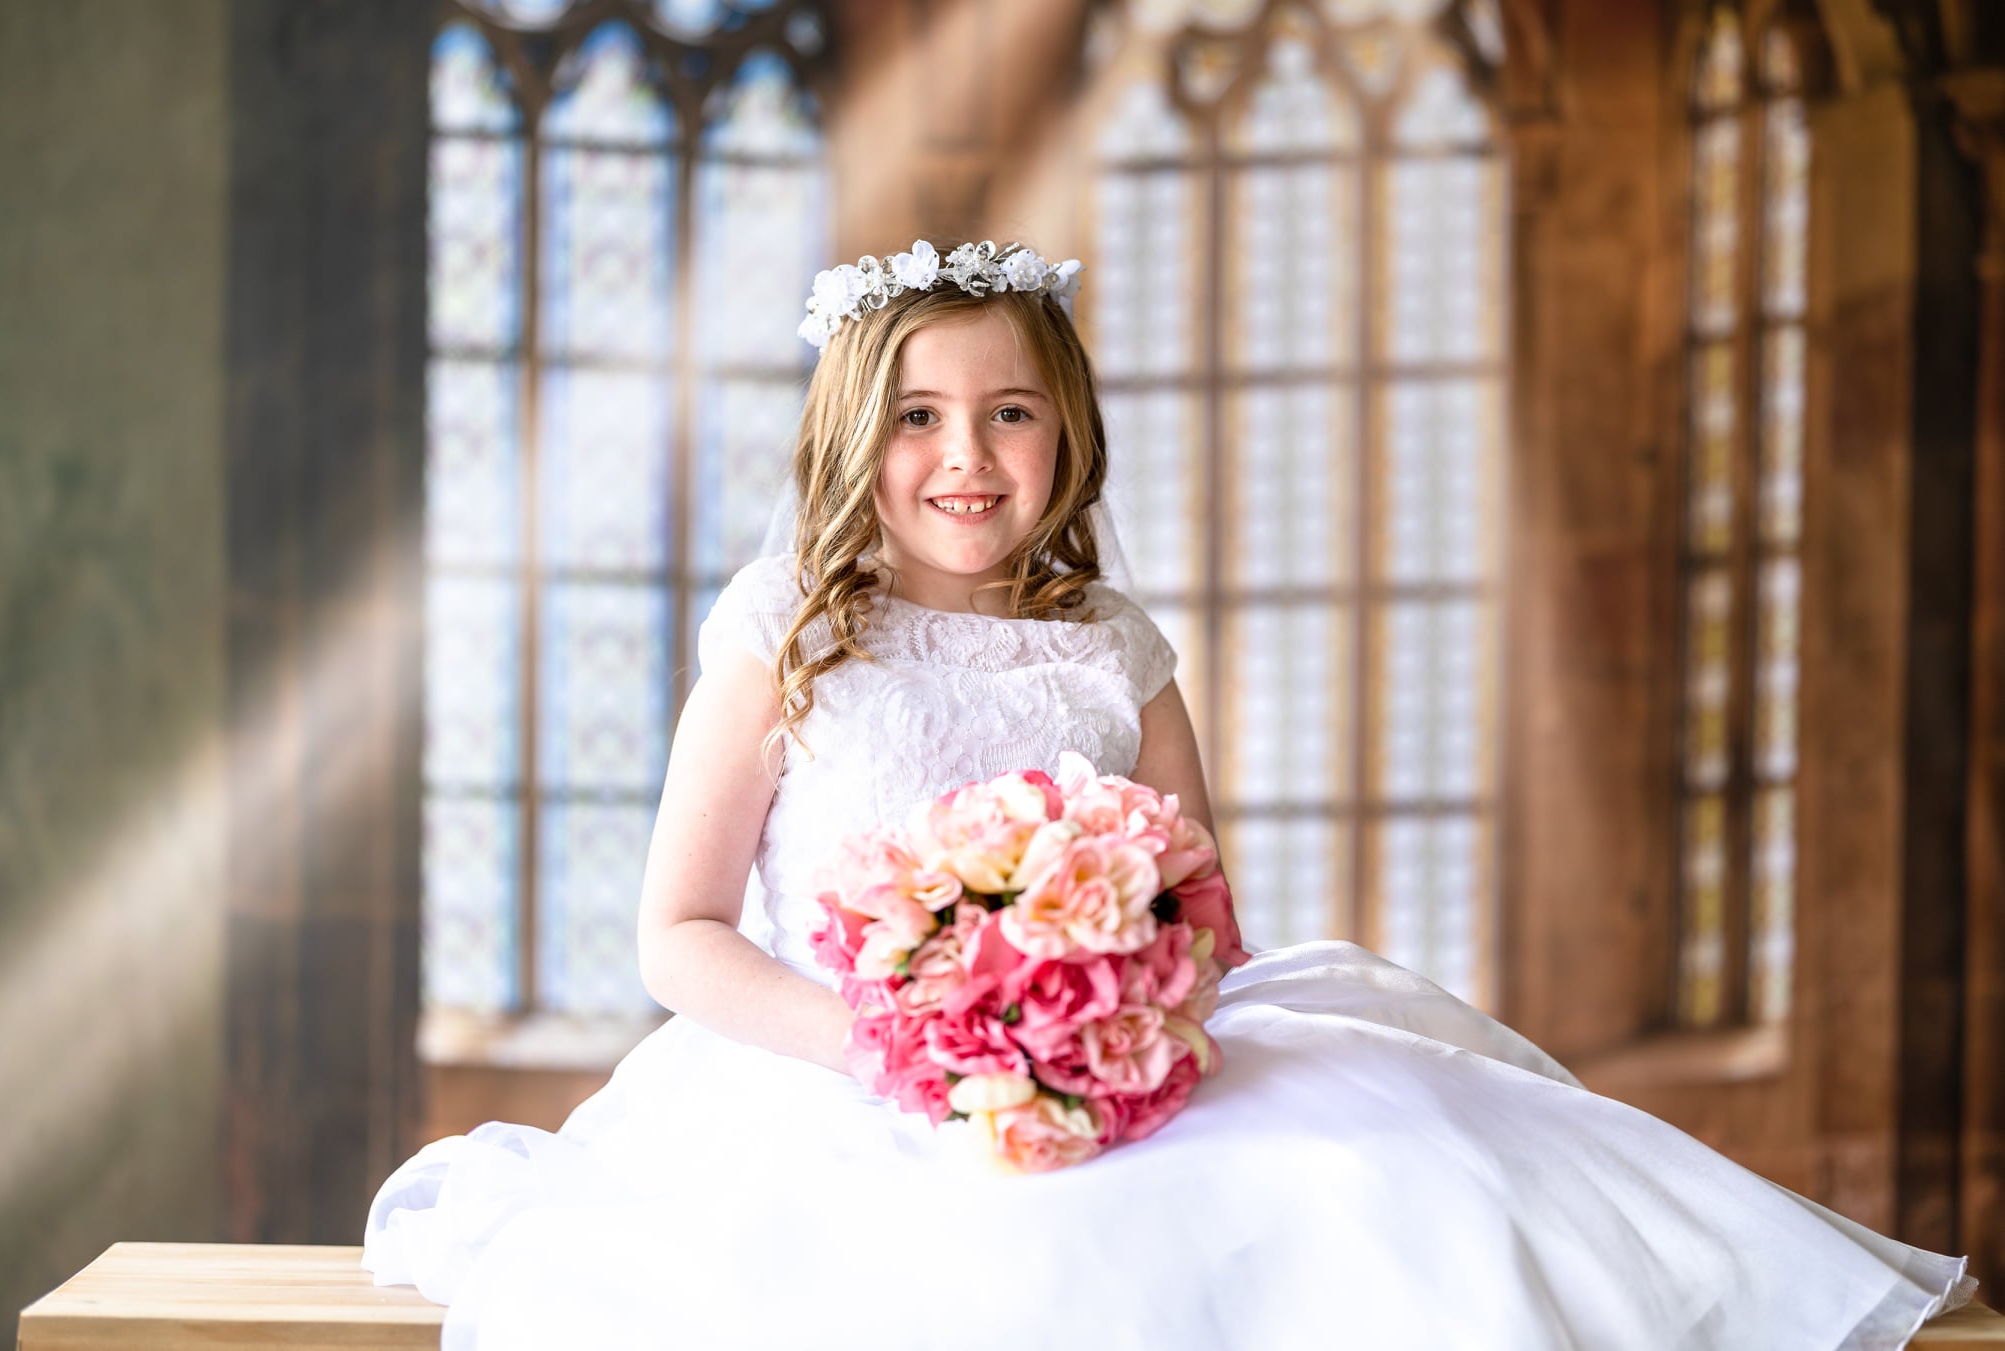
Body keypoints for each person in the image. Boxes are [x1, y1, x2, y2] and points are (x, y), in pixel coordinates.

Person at [366, 239, 1978, 1350]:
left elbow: (1195, 899)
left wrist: (1111, 1022)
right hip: (837, 1075)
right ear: (856, 437)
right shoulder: (790, 639)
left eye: (1011, 412)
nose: (967, 458)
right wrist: (902, 1046)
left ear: (1068, 434)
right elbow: (680, 932)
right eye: (918, 417)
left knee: (1373, 1177)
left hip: (1098, 1065)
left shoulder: (1110, 647)